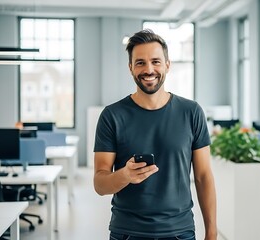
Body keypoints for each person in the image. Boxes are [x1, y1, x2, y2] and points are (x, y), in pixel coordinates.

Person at [93, 29, 217, 240]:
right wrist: (125, 175)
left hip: (180, 232)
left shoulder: (191, 112)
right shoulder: (112, 116)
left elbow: (203, 176)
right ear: (130, 67)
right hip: (128, 233)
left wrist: (212, 233)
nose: (149, 69)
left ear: (167, 65)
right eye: (140, 62)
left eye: (156, 61)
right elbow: (100, 184)